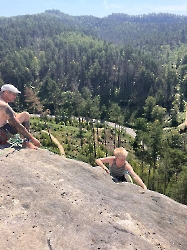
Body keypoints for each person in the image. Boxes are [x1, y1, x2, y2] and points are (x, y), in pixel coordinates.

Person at [0, 83, 40, 149]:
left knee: (23, 115)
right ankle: (26, 142)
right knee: (25, 115)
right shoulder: (4, 106)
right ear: (6, 92)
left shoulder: (3, 103)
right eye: (13, 94)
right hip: (1, 136)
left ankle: (26, 142)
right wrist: (32, 139)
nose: (15, 97)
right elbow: (16, 124)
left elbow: (15, 115)